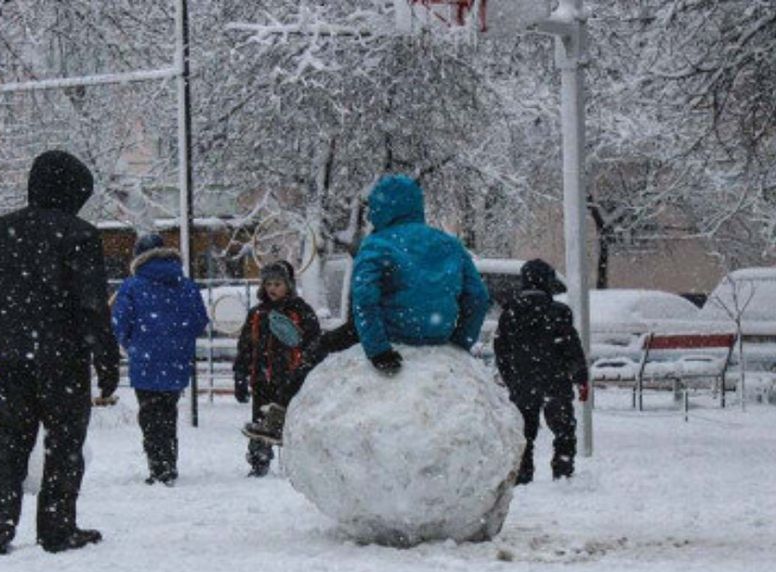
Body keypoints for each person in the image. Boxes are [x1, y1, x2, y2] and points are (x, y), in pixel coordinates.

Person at [0, 150, 120, 555]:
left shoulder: (0, 230)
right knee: (64, 442)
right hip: (63, 357)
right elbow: (92, 305)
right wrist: (107, 359)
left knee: (9, 440)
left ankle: (0, 519)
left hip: (9, 355)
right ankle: (56, 526)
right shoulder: (80, 235)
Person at [350, 174, 491, 375]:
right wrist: (461, 340)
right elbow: (478, 297)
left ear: (379, 207)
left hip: (394, 344)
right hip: (442, 352)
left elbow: (364, 299)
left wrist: (378, 350)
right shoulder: (450, 244)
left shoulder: (375, 245)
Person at [111, 234, 210, 486]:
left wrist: (132, 342)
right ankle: (169, 463)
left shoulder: (132, 286)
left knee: (150, 414)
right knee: (168, 411)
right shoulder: (186, 285)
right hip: (177, 359)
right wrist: (178, 339)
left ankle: (158, 465)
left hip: (145, 359)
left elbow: (119, 323)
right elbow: (199, 321)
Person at [492, 258, 589, 484]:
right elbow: (571, 347)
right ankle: (563, 470)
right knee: (564, 429)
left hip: (523, 381)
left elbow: (501, 349)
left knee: (524, 432)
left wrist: (510, 378)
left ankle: (523, 472)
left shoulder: (510, 312)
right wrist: (580, 377)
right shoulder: (559, 312)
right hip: (555, 381)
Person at [233, 261, 321, 475]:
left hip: (290, 380)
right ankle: (258, 461)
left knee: (289, 421)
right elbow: (245, 347)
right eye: (268, 283)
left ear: (289, 285)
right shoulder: (257, 313)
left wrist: (306, 366)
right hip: (261, 378)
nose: (272, 288)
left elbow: (314, 344)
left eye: (278, 283)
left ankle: (297, 465)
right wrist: (240, 375)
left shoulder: (301, 311)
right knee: (260, 422)